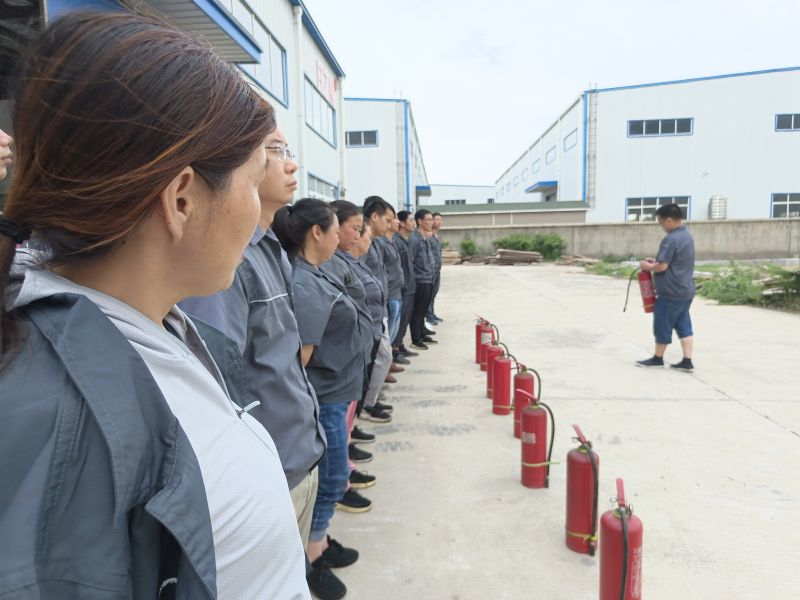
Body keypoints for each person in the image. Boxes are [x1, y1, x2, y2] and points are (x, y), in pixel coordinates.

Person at [0, 11, 308, 599]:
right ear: (182, 199)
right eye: (252, 181)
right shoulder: (60, 420)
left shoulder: (153, 327)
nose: (257, 211)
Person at [178, 128, 326, 550]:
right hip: (268, 476)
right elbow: (215, 391)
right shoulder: (228, 259)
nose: (290, 163)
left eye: (286, 150)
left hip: (299, 458)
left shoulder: (270, 247)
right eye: (274, 150)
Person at [273, 198, 367, 600]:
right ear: (317, 233)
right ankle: (311, 557)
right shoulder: (306, 283)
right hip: (325, 396)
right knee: (330, 478)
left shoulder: (316, 273)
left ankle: (320, 541)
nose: (340, 237)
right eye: (335, 230)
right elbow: (302, 359)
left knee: (332, 475)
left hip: (338, 390)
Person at [636, 203, 696, 371]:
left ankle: (658, 358)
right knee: (684, 325)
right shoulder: (687, 235)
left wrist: (647, 266)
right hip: (685, 290)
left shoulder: (671, 239)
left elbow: (662, 266)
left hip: (670, 292)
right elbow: (673, 261)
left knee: (662, 324)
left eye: (661, 222)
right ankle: (687, 360)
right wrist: (655, 262)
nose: (661, 226)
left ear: (669, 220)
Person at [408, 209, 437, 350]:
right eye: (429, 219)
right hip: (420, 280)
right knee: (417, 311)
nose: (432, 222)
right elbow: (410, 260)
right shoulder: (414, 238)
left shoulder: (424, 237)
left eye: (432, 219)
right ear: (420, 221)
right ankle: (416, 339)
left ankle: (422, 333)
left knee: (423, 309)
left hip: (428, 278)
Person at [392, 210, 420, 359]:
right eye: (411, 220)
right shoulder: (396, 241)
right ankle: (395, 350)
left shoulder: (405, 240)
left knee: (405, 319)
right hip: (403, 287)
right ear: (402, 223)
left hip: (409, 285)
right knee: (400, 319)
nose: (413, 223)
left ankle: (400, 344)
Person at [383, 206, 408, 364]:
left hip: (397, 292)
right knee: (387, 333)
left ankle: (388, 363)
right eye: (393, 218)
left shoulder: (392, 241)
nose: (397, 221)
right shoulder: (380, 243)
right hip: (390, 293)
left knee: (393, 331)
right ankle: (385, 366)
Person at [426, 211, 444, 324]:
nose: (439, 222)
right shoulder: (428, 236)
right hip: (430, 270)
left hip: (437, 270)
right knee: (429, 294)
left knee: (434, 293)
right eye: (436, 219)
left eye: (440, 220)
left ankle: (431, 313)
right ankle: (428, 315)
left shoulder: (437, 237)